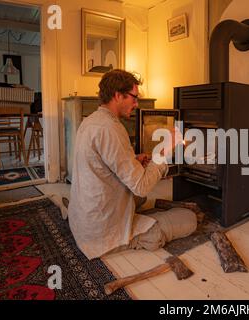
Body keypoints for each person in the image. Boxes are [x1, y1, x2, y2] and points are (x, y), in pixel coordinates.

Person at [67, 69, 197, 260]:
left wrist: (134, 159)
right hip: (100, 234)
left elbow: (103, 163)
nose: (136, 104)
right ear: (118, 95)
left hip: (83, 221)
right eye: (134, 98)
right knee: (188, 219)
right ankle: (128, 238)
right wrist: (164, 150)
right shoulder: (110, 128)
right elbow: (141, 188)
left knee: (141, 202)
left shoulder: (92, 121)